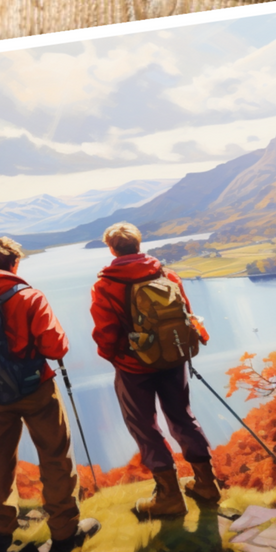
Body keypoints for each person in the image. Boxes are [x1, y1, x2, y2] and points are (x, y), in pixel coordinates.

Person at [0, 237, 97, 552]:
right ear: (14, 264)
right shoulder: (29, 296)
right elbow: (55, 347)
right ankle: (64, 529)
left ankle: (2, 525)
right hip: (34, 387)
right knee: (55, 454)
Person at [90, 222, 221, 521]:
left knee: (145, 427)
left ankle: (169, 498)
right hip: (173, 360)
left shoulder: (105, 285)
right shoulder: (166, 275)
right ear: (138, 245)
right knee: (183, 418)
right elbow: (186, 313)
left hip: (133, 367)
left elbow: (105, 334)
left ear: (111, 249)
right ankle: (206, 485)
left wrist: (116, 358)